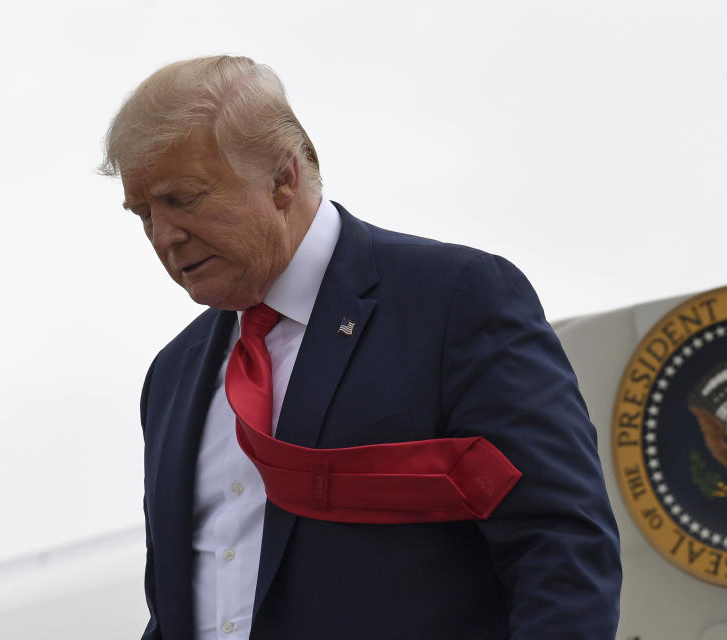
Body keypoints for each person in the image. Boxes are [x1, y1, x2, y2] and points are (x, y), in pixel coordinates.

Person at [101, 55, 622, 640]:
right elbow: (184, 603)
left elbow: (562, 546)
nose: (163, 237)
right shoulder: (171, 377)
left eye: (185, 199)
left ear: (282, 178)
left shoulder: (456, 301)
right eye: (144, 213)